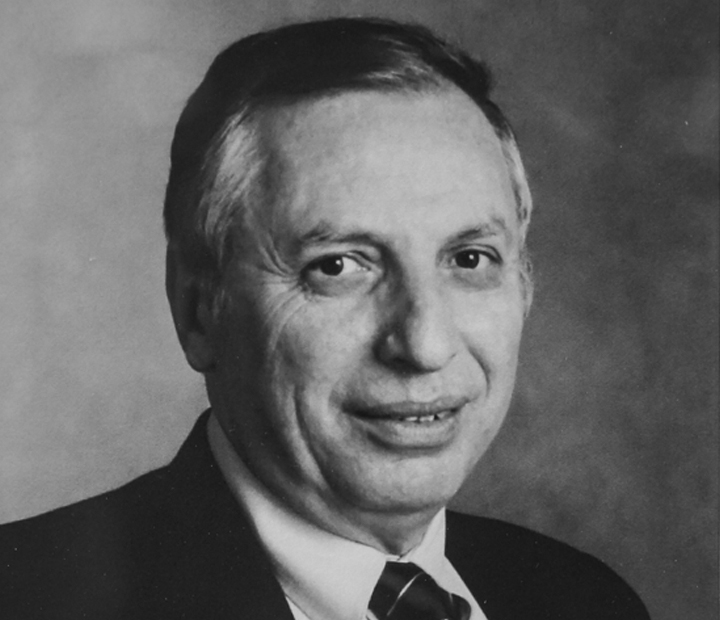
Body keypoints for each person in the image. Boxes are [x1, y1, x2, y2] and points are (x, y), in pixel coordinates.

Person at [0, 17, 650, 620]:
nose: (425, 344)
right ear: (198, 311)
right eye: (337, 266)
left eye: (469, 258)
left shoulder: (583, 600)